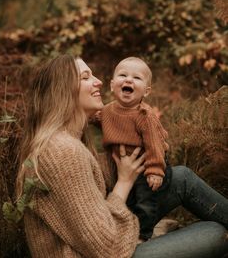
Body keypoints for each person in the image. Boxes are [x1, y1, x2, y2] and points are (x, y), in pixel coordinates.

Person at [16, 54, 228, 258]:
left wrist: (144, 142)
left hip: (99, 241)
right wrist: (125, 182)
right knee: (216, 232)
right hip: (102, 252)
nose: (98, 81)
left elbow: (92, 183)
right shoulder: (64, 152)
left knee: (181, 177)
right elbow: (107, 248)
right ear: (62, 91)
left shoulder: (64, 142)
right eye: (86, 77)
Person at [99, 57, 172, 240]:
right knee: (129, 201)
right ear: (112, 84)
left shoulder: (144, 115)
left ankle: (142, 236)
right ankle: (132, 228)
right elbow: (99, 120)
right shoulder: (107, 111)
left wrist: (155, 169)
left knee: (146, 202)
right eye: (123, 75)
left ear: (146, 92)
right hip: (124, 165)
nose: (129, 80)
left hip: (148, 162)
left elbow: (155, 143)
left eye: (137, 78)